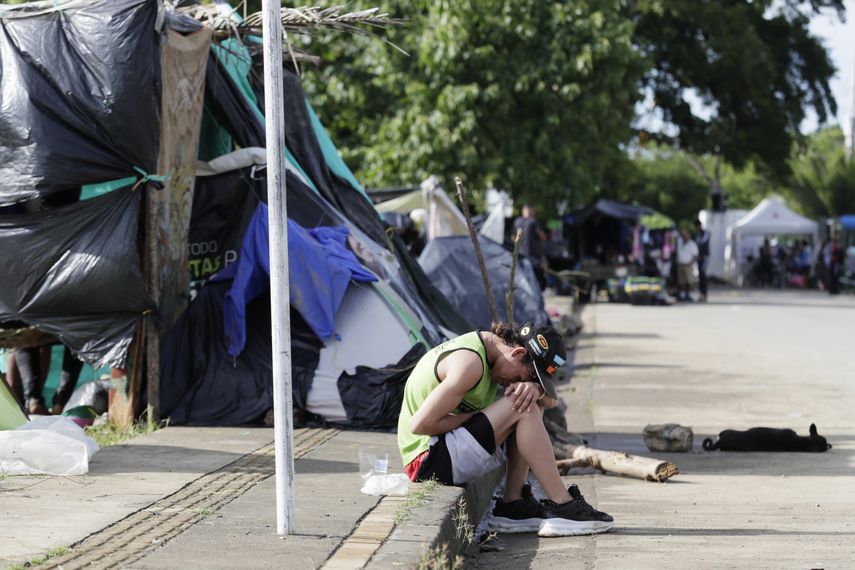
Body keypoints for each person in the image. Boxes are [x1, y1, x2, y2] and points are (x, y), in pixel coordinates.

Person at [398, 322, 614, 537]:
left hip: (445, 451)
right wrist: (474, 418)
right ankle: (563, 503)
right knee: (524, 405)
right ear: (518, 352)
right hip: (426, 459)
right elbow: (419, 425)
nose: (520, 381)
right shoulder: (470, 364)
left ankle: (513, 504)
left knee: (531, 401)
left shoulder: (490, 353)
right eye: (524, 376)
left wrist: (535, 387)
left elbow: (551, 401)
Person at [512, 205, 548, 290]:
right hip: (533, 255)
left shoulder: (517, 222)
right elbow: (542, 236)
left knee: (523, 278)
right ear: (531, 211)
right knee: (535, 278)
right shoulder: (533, 221)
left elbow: (513, 238)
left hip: (520, 255)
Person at [676, 228, 698, 301]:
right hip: (680, 264)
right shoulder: (679, 243)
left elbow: (695, 256)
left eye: (686, 235)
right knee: (682, 281)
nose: (684, 236)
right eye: (683, 235)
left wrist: (690, 263)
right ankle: (683, 295)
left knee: (689, 281)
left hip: (688, 265)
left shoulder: (692, 244)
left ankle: (689, 295)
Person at [694, 220, 710, 302]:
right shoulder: (697, 235)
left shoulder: (705, 234)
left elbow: (702, 244)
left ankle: (704, 294)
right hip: (699, 257)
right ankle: (701, 294)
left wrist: (700, 255)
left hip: (704, 257)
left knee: (703, 275)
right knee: (700, 276)